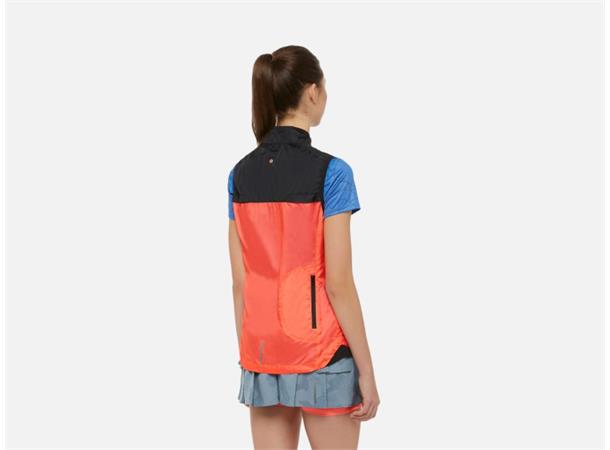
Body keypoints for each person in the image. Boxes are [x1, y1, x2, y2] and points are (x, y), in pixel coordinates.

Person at [227, 45, 380, 450]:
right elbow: (338, 283)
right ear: (313, 92)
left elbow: (241, 283)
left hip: (262, 355)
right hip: (323, 352)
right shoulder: (333, 173)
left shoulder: (239, 175)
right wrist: (366, 371)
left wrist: (251, 356)